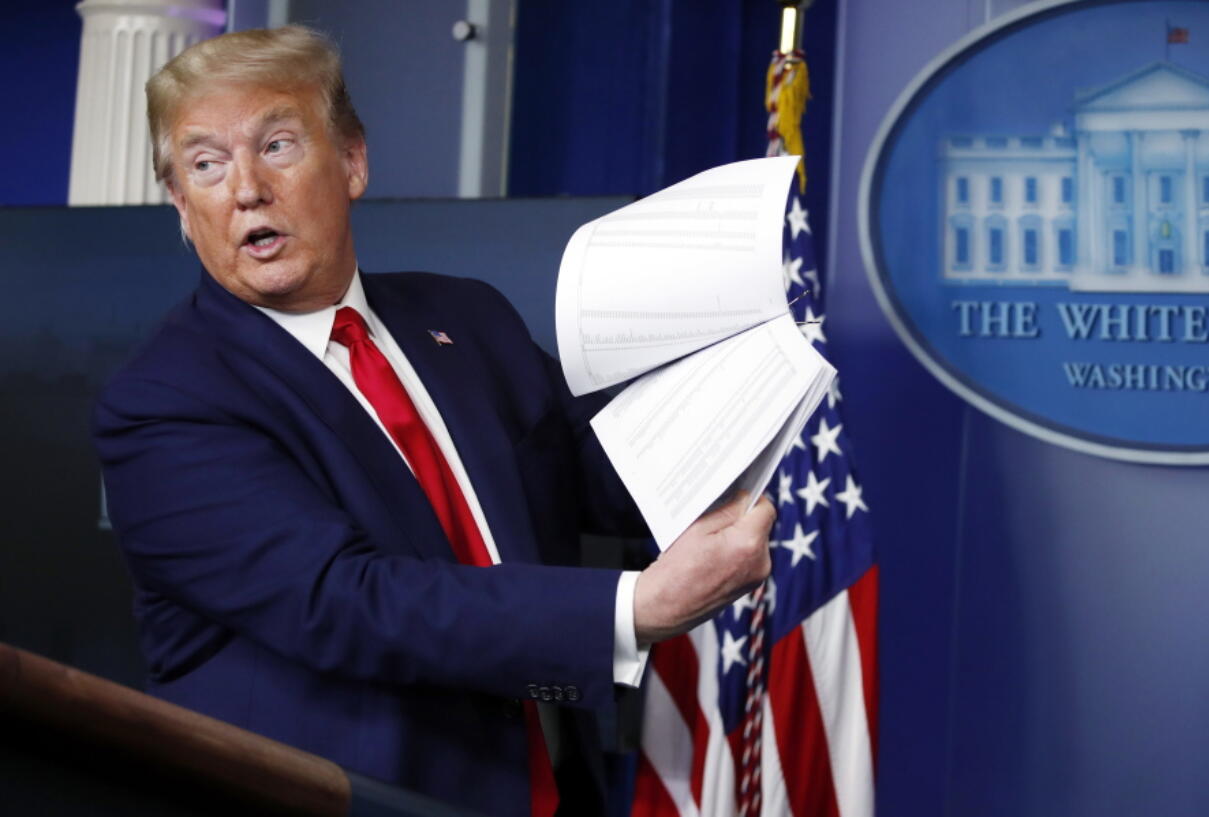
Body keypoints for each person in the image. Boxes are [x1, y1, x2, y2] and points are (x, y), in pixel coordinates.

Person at [92, 25, 773, 817]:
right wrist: (634, 609)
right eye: (205, 164)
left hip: (554, 785)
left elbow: (605, 476)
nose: (245, 189)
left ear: (353, 160)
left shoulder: (464, 316)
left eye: (276, 144)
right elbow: (346, 600)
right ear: (181, 202)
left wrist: (751, 389)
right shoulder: (164, 402)